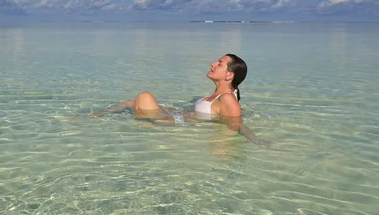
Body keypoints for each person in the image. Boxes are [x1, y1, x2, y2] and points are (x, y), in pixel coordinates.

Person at [94, 54, 269, 147]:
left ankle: (144, 123)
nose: (213, 63)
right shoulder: (217, 96)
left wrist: (253, 139)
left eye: (220, 63)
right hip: (177, 116)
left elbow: (236, 123)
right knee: (129, 102)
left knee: (144, 96)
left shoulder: (228, 99)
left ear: (229, 75)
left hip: (176, 123)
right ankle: (97, 116)